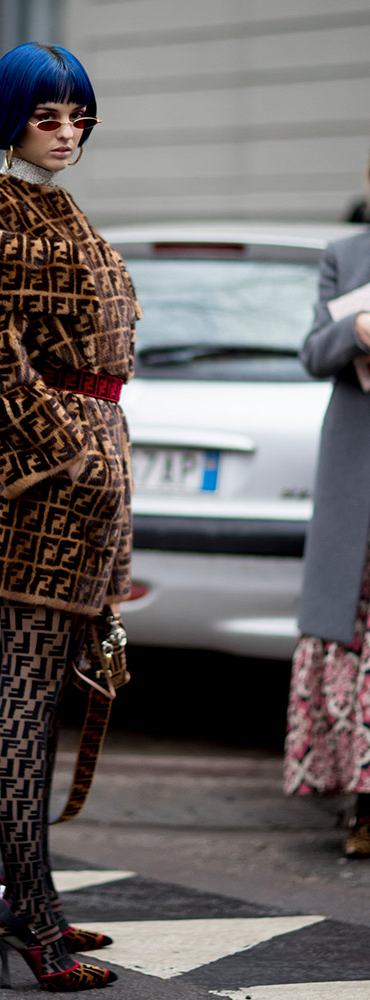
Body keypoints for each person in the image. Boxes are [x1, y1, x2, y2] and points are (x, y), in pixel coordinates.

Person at [0, 42, 140, 991]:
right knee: (25, 693)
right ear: (10, 119)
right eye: (46, 117)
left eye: (77, 116)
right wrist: (69, 459)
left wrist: (99, 466)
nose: (66, 133)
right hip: (39, 497)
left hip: (85, 487)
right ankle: (30, 916)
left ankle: (31, 897)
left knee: (48, 688)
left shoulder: (53, 207)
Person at [283, 204, 370, 857]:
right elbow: (313, 352)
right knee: (353, 640)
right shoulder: (346, 254)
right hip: (357, 476)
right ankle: (361, 805)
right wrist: (359, 330)